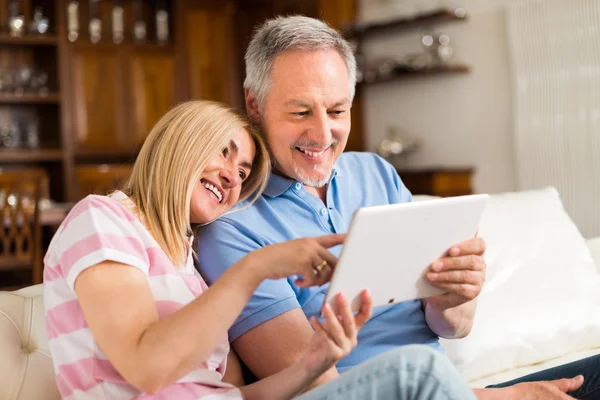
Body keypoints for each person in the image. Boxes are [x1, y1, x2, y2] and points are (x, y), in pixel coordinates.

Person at [196, 15, 600, 400]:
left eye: (337, 111)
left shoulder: (374, 173)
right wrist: (502, 397)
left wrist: (455, 295)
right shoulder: (233, 227)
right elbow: (318, 389)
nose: (323, 133)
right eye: (300, 111)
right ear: (254, 104)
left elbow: (451, 327)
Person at [43, 100, 480, 400]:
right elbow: (146, 367)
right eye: (223, 152)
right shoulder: (101, 218)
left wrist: (314, 361)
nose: (233, 176)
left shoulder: (189, 271)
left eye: (244, 169)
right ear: (178, 142)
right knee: (418, 372)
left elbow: (237, 396)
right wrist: (257, 266)